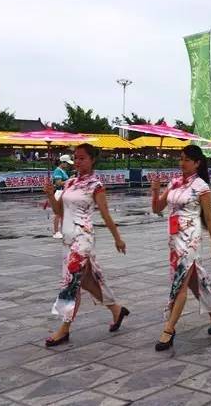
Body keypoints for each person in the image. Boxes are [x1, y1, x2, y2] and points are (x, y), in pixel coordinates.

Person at [42, 144, 129, 348]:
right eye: (76, 158)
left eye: (82, 158)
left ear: (92, 160)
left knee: (70, 282)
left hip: (83, 239)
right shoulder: (70, 182)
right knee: (88, 282)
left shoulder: (95, 185)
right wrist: (49, 194)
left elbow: (106, 213)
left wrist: (117, 237)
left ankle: (64, 329)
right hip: (68, 238)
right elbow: (59, 211)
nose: (79, 162)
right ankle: (117, 309)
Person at [150, 145, 211, 351]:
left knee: (180, 282)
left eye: (186, 160)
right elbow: (157, 209)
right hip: (174, 239)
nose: (182, 163)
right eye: (180, 159)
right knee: (194, 281)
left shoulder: (201, 187)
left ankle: (169, 329)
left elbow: (209, 218)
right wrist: (155, 191)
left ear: (197, 163)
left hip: (191, 239)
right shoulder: (174, 183)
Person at [51, 154, 74, 239]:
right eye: (67, 163)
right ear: (63, 163)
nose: (68, 165)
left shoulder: (62, 171)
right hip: (59, 192)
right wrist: (70, 180)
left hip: (63, 192)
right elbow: (58, 183)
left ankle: (62, 230)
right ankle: (56, 232)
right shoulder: (58, 171)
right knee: (58, 213)